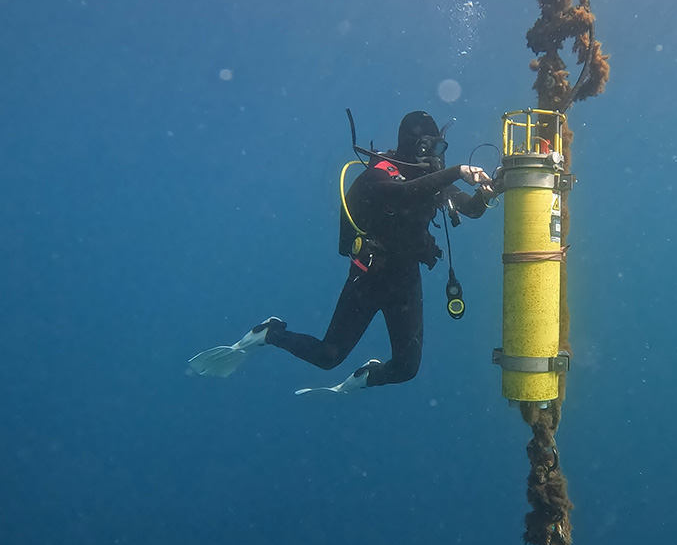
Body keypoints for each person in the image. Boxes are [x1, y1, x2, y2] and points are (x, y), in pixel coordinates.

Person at [188, 111, 495, 393]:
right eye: (436, 148)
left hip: (405, 281)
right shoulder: (379, 175)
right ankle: (269, 334)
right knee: (328, 356)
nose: (439, 157)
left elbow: (471, 209)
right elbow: (403, 194)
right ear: (420, 146)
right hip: (370, 279)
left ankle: (365, 377)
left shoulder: (431, 182)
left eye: (444, 149)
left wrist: (498, 186)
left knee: (406, 369)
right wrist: (457, 171)